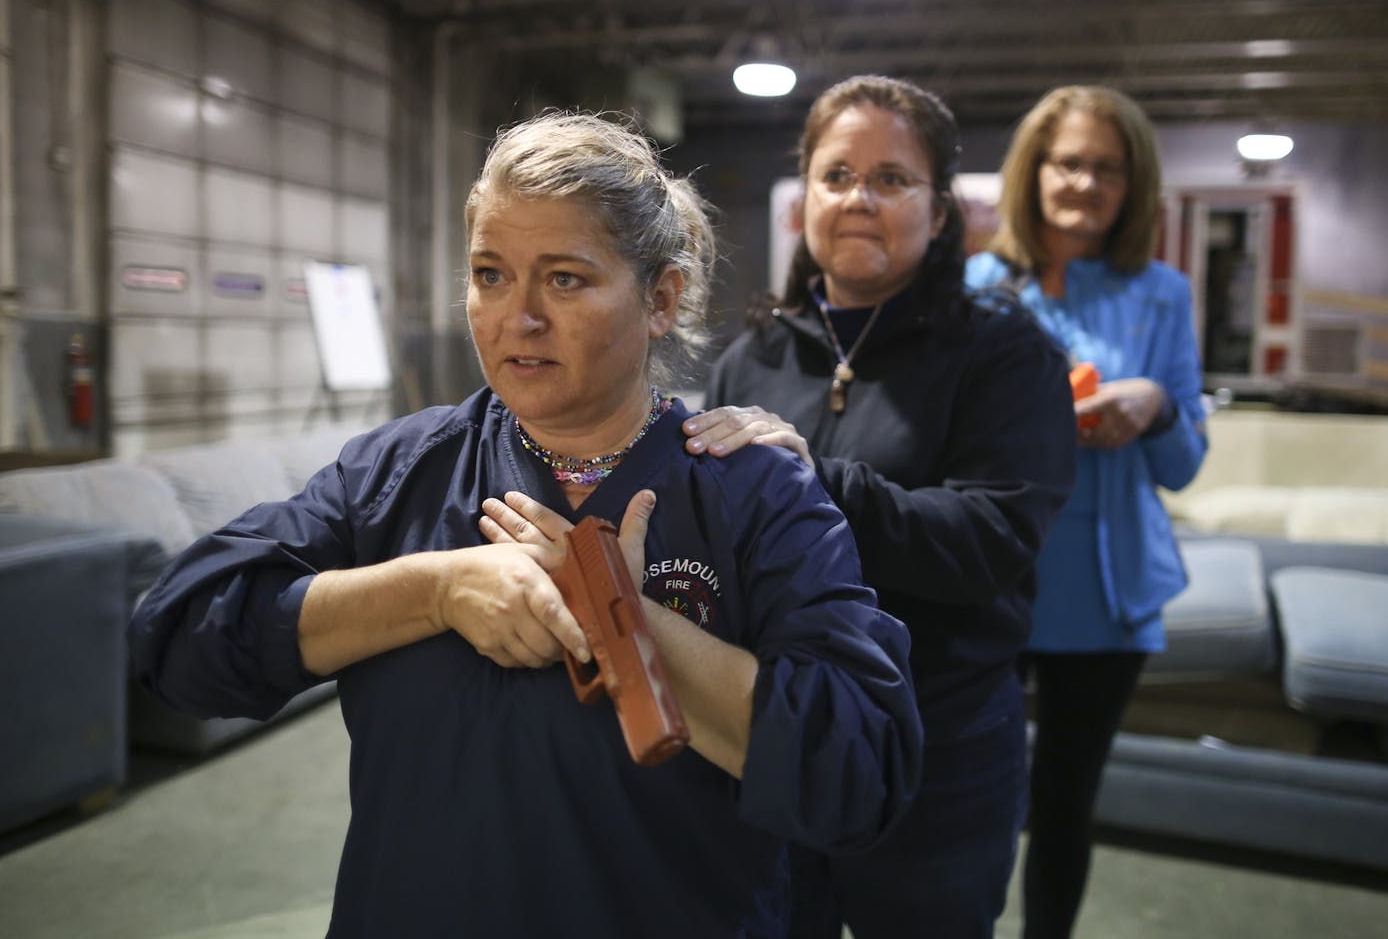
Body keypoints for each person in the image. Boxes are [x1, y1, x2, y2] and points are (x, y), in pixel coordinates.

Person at [127, 111, 924, 938]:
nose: (519, 317)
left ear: (661, 298)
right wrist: (431, 589)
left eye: (565, 279)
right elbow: (177, 639)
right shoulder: (402, 472)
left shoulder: (751, 490)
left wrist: (623, 618)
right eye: (490, 274)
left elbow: (863, 773)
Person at [682, 75, 1077, 938]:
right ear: (804, 202)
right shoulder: (750, 361)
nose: (859, 197)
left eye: (892, 178)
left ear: (941, 213)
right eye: (836, 175)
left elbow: (990, 540)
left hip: (943, 747)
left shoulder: (1006, 355)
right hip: (776, 734)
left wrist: (812, 477)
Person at [966, 85, 1208, 939]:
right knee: (972, 798)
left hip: (1106, 597)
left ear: (1133, 184)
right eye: (1070, 162)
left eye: (1109, 168)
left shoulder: (1164, 294)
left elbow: (1184, 467)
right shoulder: (979, 285)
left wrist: (1157, 406)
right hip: (996, 582)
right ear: (1035, 172)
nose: (1086, 183)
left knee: (1068, 804)